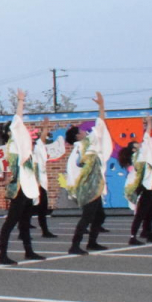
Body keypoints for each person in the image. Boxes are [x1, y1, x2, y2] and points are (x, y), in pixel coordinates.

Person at [0, 90, 45, 265]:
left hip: (26, 186)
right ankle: (2, 254)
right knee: (11, 221)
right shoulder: (13, 146)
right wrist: (20, 101)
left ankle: (29, 251)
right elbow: (18, 121)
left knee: (25, 222)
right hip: (18, 187)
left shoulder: (20, 146)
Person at [64, 94, 112, 255]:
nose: (85, 131)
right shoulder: (83, 146)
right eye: (82, 131)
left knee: (99, 216)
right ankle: (74, 245)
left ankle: (92, 242)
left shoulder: (82, 146)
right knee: (87, 217)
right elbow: (100, 126)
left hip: (92, 186)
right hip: (88, 188)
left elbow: (100, 127)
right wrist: (101, 106)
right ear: (78, 136)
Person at [33, 117, 59, 238]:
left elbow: (42, 140)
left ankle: (27, 227)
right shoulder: (34, 150)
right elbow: (41, 141)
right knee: (41, 207)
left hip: (40, 183)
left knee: (38, 208)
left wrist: (45, 128)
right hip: (37, 184)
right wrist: (45, 128)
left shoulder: (37, 149)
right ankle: (44, 230)